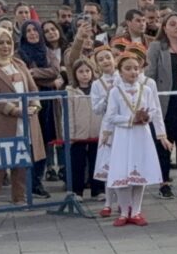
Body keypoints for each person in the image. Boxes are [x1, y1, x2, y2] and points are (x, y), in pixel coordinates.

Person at [0, 27, 46, 206]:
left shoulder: (19, 64)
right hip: (1, 121)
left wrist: (35, 105)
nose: (5, 46)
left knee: (22, 159)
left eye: (8, 42)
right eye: (0, 42)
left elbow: (33, 89)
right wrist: (14, 110)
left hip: (26, 119)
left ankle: (19, 198)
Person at [101, 52, 171, 226]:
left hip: (142, 135)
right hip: (124, 136)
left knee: (139, 173)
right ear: (120, 71)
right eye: (128, 69)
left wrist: (147, 118)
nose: (133, 72)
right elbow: (111, 116)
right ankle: (124, 211)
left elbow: (155, 110)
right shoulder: (115, 92)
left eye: (136, 68)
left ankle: (137, 211)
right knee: (123, 174)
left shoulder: (146, 89)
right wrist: (130, 119)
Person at [146, 13, 177, 197]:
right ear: (164, 28)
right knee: (164, 145)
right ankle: (164, 182)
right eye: (172, 24)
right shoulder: (157, 47)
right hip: (166, 103)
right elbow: (149, 74)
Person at [19, 21, 60, 198]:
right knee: (29, 141)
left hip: (47, 101)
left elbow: (55, 71)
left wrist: (35, 73)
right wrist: (46, 79)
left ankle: (37, 180)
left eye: (35, 30)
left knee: (43, 141)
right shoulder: (19, 54)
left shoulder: (48, 52)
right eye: (28, 31)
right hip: (29, 100)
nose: (32, 33)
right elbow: (23, 76)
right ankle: (26, 182)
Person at [64, 57, 103, 200]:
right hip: (78, 134)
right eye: (81, 71)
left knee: (97, 162)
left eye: (87, 71)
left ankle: (98, 190)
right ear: (75, 74)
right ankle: (77, 191)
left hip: (96, 132)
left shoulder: (99, 88)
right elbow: (68, 115)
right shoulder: (70, 91)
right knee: (77, 164)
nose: (85, 74)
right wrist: (70, 135)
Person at [89, 47, 121, 217]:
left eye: (108, 57)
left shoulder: (122, 78)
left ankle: (124, 202)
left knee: (123, 164)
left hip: (123, 126)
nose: (105, 61)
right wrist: (107, 97)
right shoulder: (96, 84)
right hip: (108, 127)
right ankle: (108, 203)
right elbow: (96, 109)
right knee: (109, 165)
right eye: (101, 59)